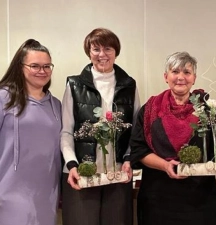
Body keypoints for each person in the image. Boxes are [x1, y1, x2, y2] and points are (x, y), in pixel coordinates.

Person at [129, 51, 216, 225]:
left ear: (194, 78)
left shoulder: (209, 109)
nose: (181, 77)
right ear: (166, 76)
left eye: (186, 72)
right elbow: (139, 150)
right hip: (157, 199)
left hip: (200, 200)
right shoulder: (150, 109)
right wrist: (165, 165)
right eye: (175, 72)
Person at [60, 28, 140, 225]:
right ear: (89, 52)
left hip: (118, 174)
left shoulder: (129, 85)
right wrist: (72, 164)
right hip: (82, 173)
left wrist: (129, 159)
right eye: (96, 49)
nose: (102, 55)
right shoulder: (74, 85)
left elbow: (135, 130)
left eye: (108, 49)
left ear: (116, 52)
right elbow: (66, 131)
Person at [0, 39, 62, 225]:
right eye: (35, 66)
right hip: (9, 191)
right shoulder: (4, 97)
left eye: (47, 66)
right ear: (20, 67)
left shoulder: (56, 105)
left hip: (46, 191)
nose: (42, 71)